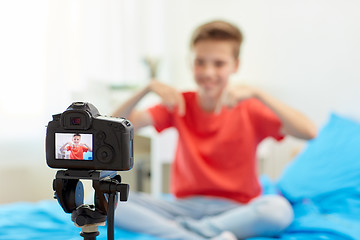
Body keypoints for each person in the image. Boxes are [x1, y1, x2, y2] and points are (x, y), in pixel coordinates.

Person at [112, 20, 317, 240]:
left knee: (277, 210)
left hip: (236, 211)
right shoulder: (180, 103)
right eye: (201, 62)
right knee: (110, 200)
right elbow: (113, 127)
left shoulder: (250, 108)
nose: (208, 72)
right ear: (191, 64)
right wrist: (147, 88)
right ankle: (203, 235)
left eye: (219, 64)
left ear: (235, 65)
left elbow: (309, 131)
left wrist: (259, 93)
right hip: (183, 206)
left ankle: (186, 232)